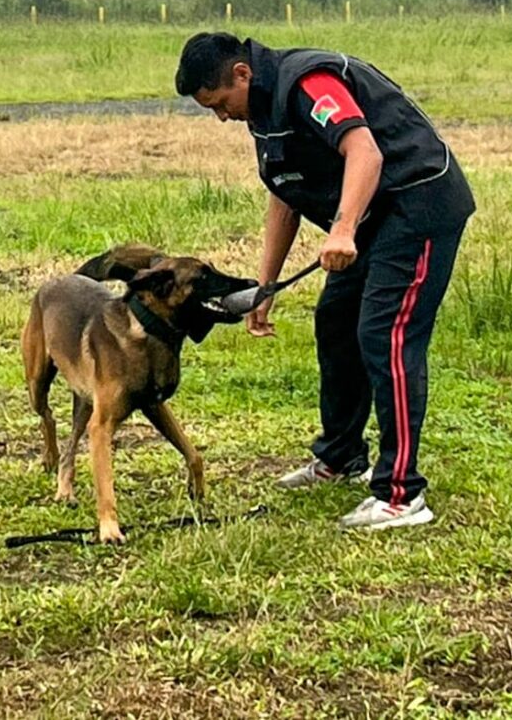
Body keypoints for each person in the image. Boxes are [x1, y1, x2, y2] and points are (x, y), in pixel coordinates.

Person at [175, 32, 475, 530]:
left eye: (220, 104)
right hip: (369, 218)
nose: (222, 117)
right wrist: (264, 289)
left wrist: (341, 230)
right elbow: (285, 193)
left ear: (241, 74)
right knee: (336, 324)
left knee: (385, 335)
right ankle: (340, 458)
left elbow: (365, 152)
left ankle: (400, 496)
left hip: (416, 204)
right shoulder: (263, 110)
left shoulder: (309, 83)